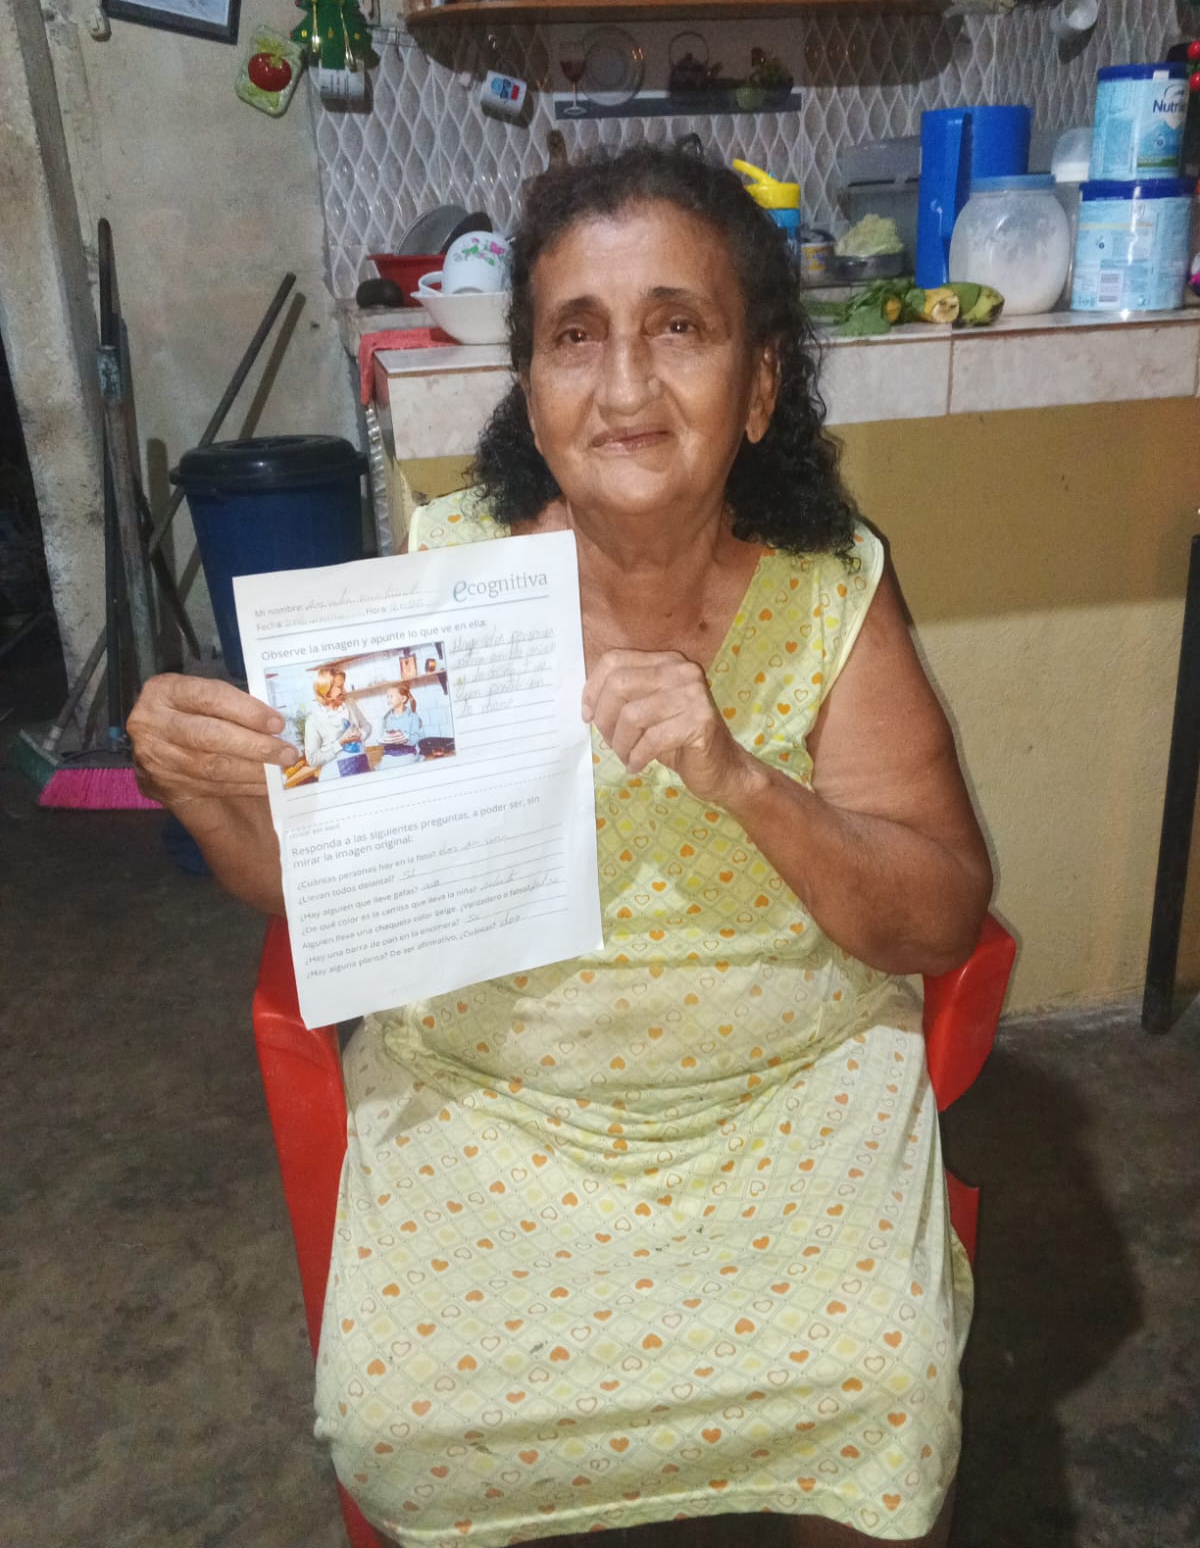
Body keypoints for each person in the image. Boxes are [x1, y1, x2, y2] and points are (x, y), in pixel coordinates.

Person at [127, 145, 992, 1548]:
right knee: (398, 1420)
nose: (626, 386)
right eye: (575, 337)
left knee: (882, 1380)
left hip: (786, 1098)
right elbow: (326, 893)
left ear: (759, 385)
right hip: (495, 1104)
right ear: (529, 389)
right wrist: (213, 794)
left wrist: (741, 778)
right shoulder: (449, 583)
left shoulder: (832, 591)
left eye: (679, 327)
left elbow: (942, 912)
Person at [302, 665, 372, 779]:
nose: (344, 691)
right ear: (327, 691)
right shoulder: (313, 720)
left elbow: (366, 725)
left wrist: (361, 734)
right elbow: (312, 760)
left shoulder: (350, 704)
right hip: (336, 777)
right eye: (340, 687)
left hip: (362, 766)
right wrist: (340, 743)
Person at [379, 681, 422, 767]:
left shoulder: (412, 717)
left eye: (391, 696)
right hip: (389, 755)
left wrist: (404, 738)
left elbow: (416, 737)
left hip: (407, 754)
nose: (388, 700)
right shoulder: (386, 718)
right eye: (387, 697)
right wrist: (384, 739)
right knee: (384, 766)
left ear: (403, 699)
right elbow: (382, 737)